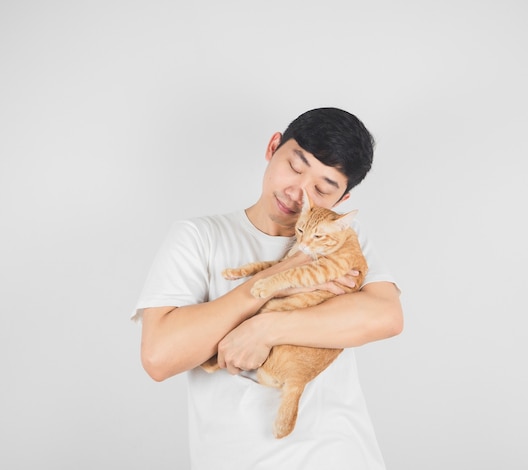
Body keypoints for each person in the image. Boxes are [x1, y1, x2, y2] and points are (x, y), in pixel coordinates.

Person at [133, 107, 404, 469]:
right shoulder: (199, 238)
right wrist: (278, 280)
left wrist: (264, 328)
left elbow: (386, 315)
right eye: (295, 166)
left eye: (323, 189)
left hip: (342, 456)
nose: (298, 192)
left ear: (342, 203)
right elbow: (159, 356)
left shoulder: (341, 237)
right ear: (273, 146)